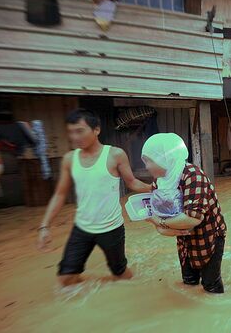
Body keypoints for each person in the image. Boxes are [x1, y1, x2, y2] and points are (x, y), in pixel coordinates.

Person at [37, 108, 151, 287]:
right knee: (66, 278)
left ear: (96, 130)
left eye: (79, 131)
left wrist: (158, 188)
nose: (74, 137)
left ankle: (139, 289)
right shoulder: (69, 159)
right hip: (82, 228)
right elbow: (59, 194)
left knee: (120, 275)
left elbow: (133, 183)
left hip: (111, 228)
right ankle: (94, 288)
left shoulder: (115, 155)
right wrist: (44, 227)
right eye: (71, 132)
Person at [142, 133, 227, 294]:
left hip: (208, 234)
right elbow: (160, 215)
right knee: (189, 281)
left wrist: (159, 223)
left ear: (165, 158)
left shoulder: (193, 176)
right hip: (183, 236)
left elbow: (192, 219)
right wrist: (159, 225)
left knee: (211, 286)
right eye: (145, 161)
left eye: (149, 160)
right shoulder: (159, 181)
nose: (146, 166)